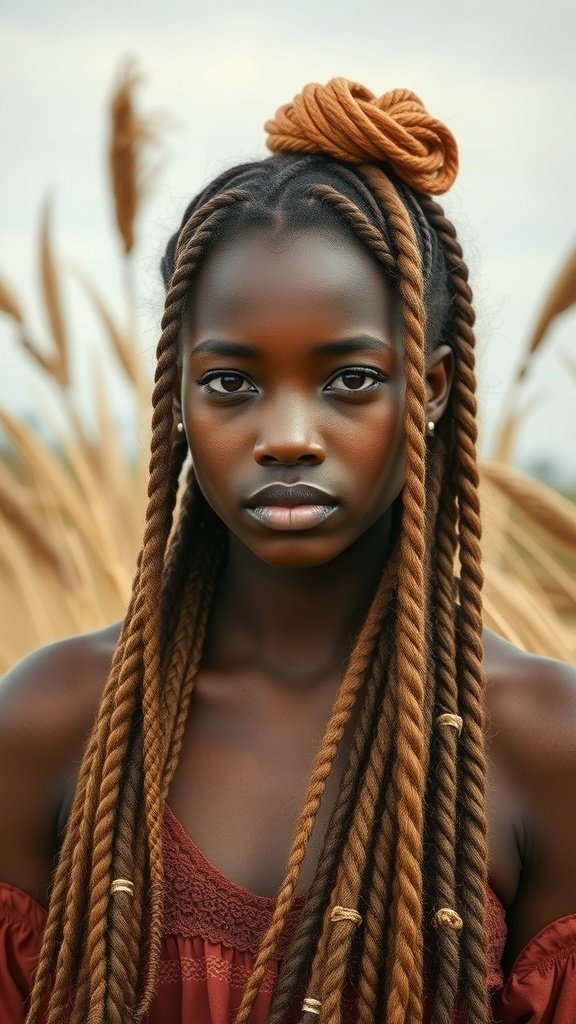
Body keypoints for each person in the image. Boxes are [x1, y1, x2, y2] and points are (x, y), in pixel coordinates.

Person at [1, 79, 575, 1024]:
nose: (289, 438)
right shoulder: (55, 721)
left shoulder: (540, 742)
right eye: (231, 382)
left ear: (431, 388)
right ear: (177, 394)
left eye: (350, 379)